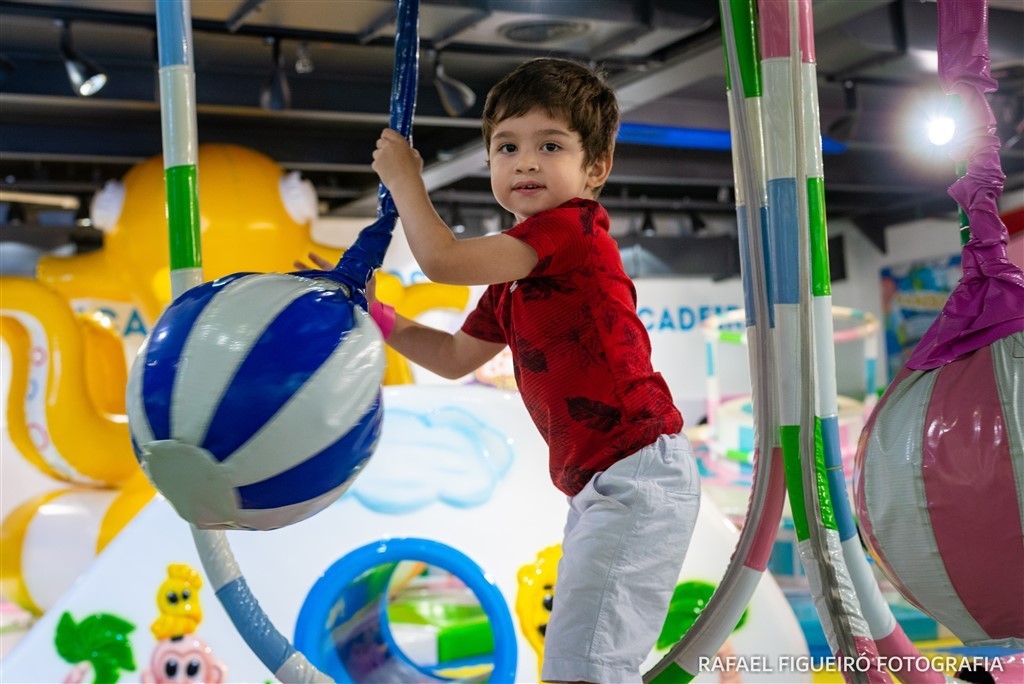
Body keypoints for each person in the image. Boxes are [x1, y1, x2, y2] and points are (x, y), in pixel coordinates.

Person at [311, 57, 700, 683]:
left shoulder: (573, 230)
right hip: (600, 483)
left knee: (584, 666)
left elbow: (440, 261)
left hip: (637, 472)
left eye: (550, 145)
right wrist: (377, 316)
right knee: (580, 660)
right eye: (507, 146)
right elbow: (452, 358)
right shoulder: (516, 281)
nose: (525, 161)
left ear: (595, 168)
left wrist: (408, 179)